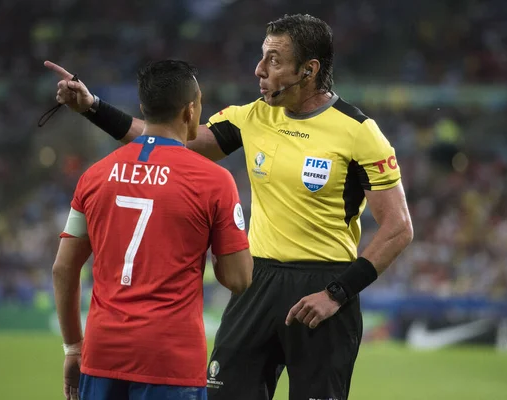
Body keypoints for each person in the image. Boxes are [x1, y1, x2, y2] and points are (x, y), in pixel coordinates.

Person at [46, 13, 413, 400]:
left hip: (322, 287)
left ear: (309, 69)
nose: (259, 69)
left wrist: (337, 294)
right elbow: (169, 138)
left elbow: (398, 228)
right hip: (256, 282)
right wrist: (94, 107)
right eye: (261, 56)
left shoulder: (359, 132)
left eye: (273, 60)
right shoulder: (253, 116)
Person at [51, 60, 253, 400]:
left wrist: (73, 347)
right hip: (171, 360)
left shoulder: (95, 175)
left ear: (145, 107)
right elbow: (238, 279)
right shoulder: (214, 181)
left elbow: (63, 268)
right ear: (190, 110)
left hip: (101, 355)